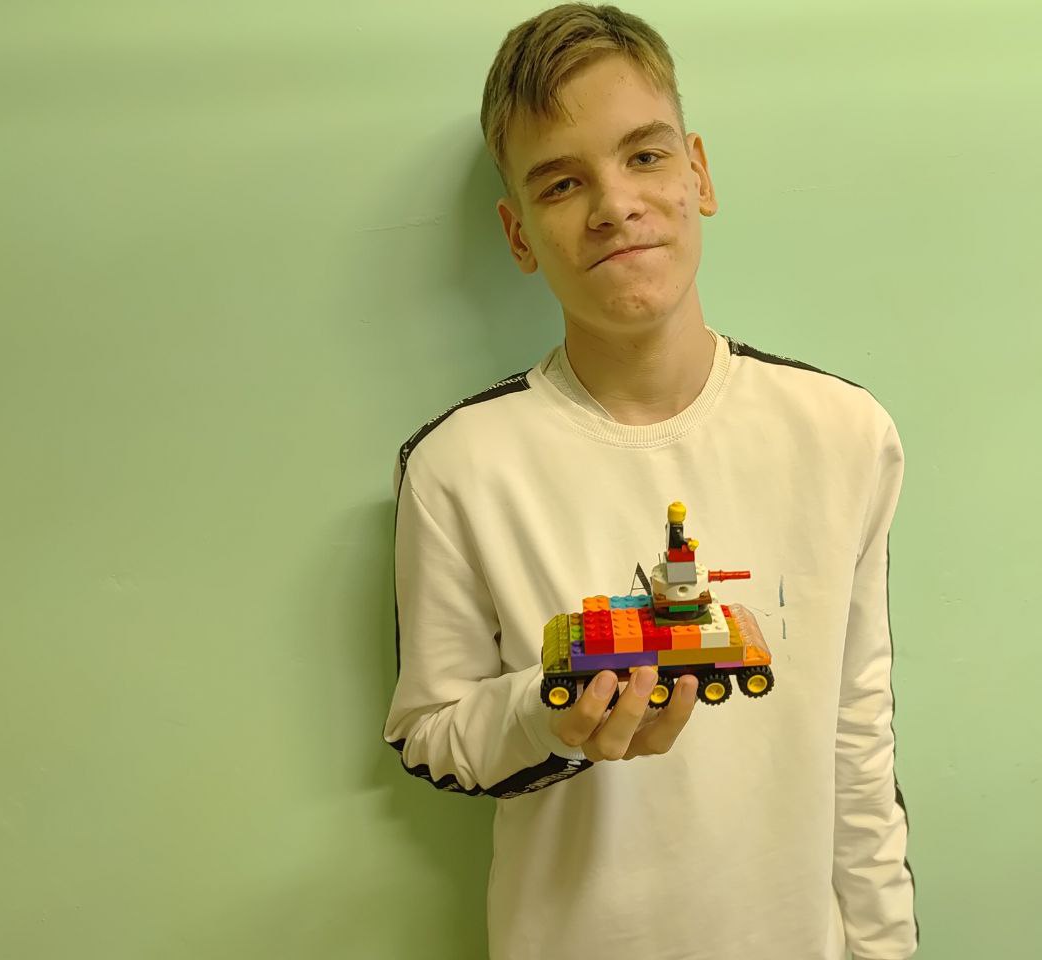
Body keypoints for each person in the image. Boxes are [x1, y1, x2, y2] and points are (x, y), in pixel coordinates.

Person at [382, 5, 918, 959]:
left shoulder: (844, 434)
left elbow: (858, 743)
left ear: (697, 173)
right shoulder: (456, 468)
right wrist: (548, 714)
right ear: (518, 234)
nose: (614, 204)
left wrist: (886, 947)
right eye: (561, 183)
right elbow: (432, 734)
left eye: (645, 155)